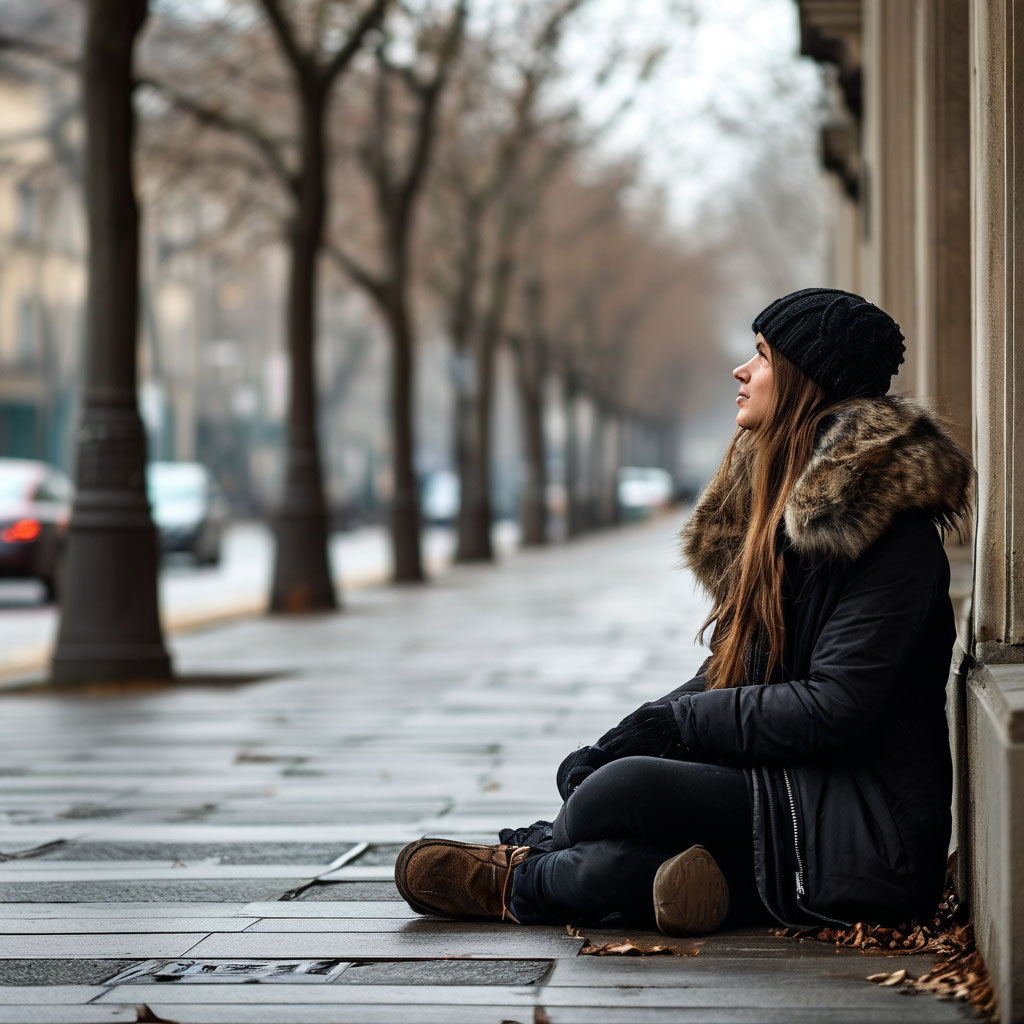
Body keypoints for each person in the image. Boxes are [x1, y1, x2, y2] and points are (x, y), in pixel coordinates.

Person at [394, 287, 975, 936]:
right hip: (790, 788)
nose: (742, 370)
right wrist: (638, 729)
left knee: (620, 793)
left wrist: (677, 725)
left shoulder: (891, 538)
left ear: (808, 380)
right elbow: (735, 670)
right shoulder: (791, 518)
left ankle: (520, 875)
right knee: (620, 847)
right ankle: (662, 879)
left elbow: (833, 707)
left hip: (868, 835)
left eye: (763, 355)